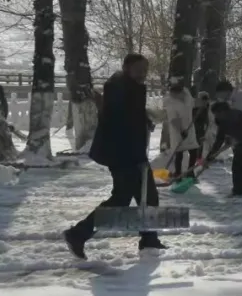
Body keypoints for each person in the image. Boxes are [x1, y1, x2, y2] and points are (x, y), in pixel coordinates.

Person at [64, 53, 166, 258]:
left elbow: (130, 118)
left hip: (130, 151)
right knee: (121, 198)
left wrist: (144, 120)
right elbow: (120, 124)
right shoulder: (121, 87)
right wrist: (137, 156)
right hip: (122, 153)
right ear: (127, 67)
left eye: (146, 70)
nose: (143, 73)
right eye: (139, 69)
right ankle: (78, 234)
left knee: (148, 195)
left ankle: (149, 239)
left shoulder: (129, 86)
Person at [163, 78, 200, 178]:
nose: (176, 94)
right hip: (177, 130)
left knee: (193, 150)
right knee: (179, 152)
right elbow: (174, 119)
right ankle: (177, 173)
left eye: (178, 91)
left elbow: (193, 103)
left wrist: (201, 103)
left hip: (190, 127)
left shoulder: (186, 94)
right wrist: (181, 130)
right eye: (174, 92)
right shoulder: (170, 102)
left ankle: (190, 172)